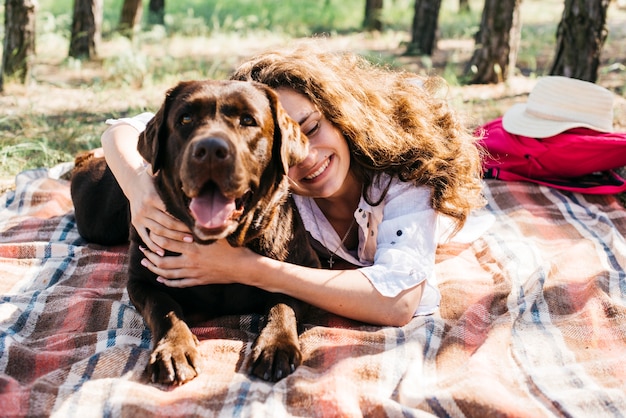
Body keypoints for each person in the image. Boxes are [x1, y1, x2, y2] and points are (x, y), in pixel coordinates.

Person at [101, 42, 485, 327]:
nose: (305, 154)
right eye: (289, 140)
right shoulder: (277, 184)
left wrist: (243, 267)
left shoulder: (404, 177)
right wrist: (138, 185)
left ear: (342, 116)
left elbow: (397, 304)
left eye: (313, 128)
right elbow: (123, 129)